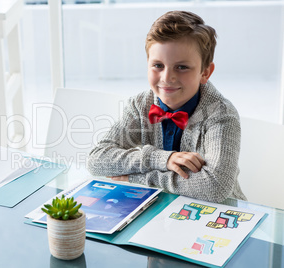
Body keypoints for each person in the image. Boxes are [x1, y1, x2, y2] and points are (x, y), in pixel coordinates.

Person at [87, 11, 246, 203]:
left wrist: (135, 179)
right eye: (158, 65)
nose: (167, 78)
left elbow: (214, 187)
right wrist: (162, 159)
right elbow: (96, 160)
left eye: (181, 67)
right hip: (160, 210)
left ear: (205, 72)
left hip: (219, 215)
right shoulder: (139, 106)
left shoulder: (221, 115)